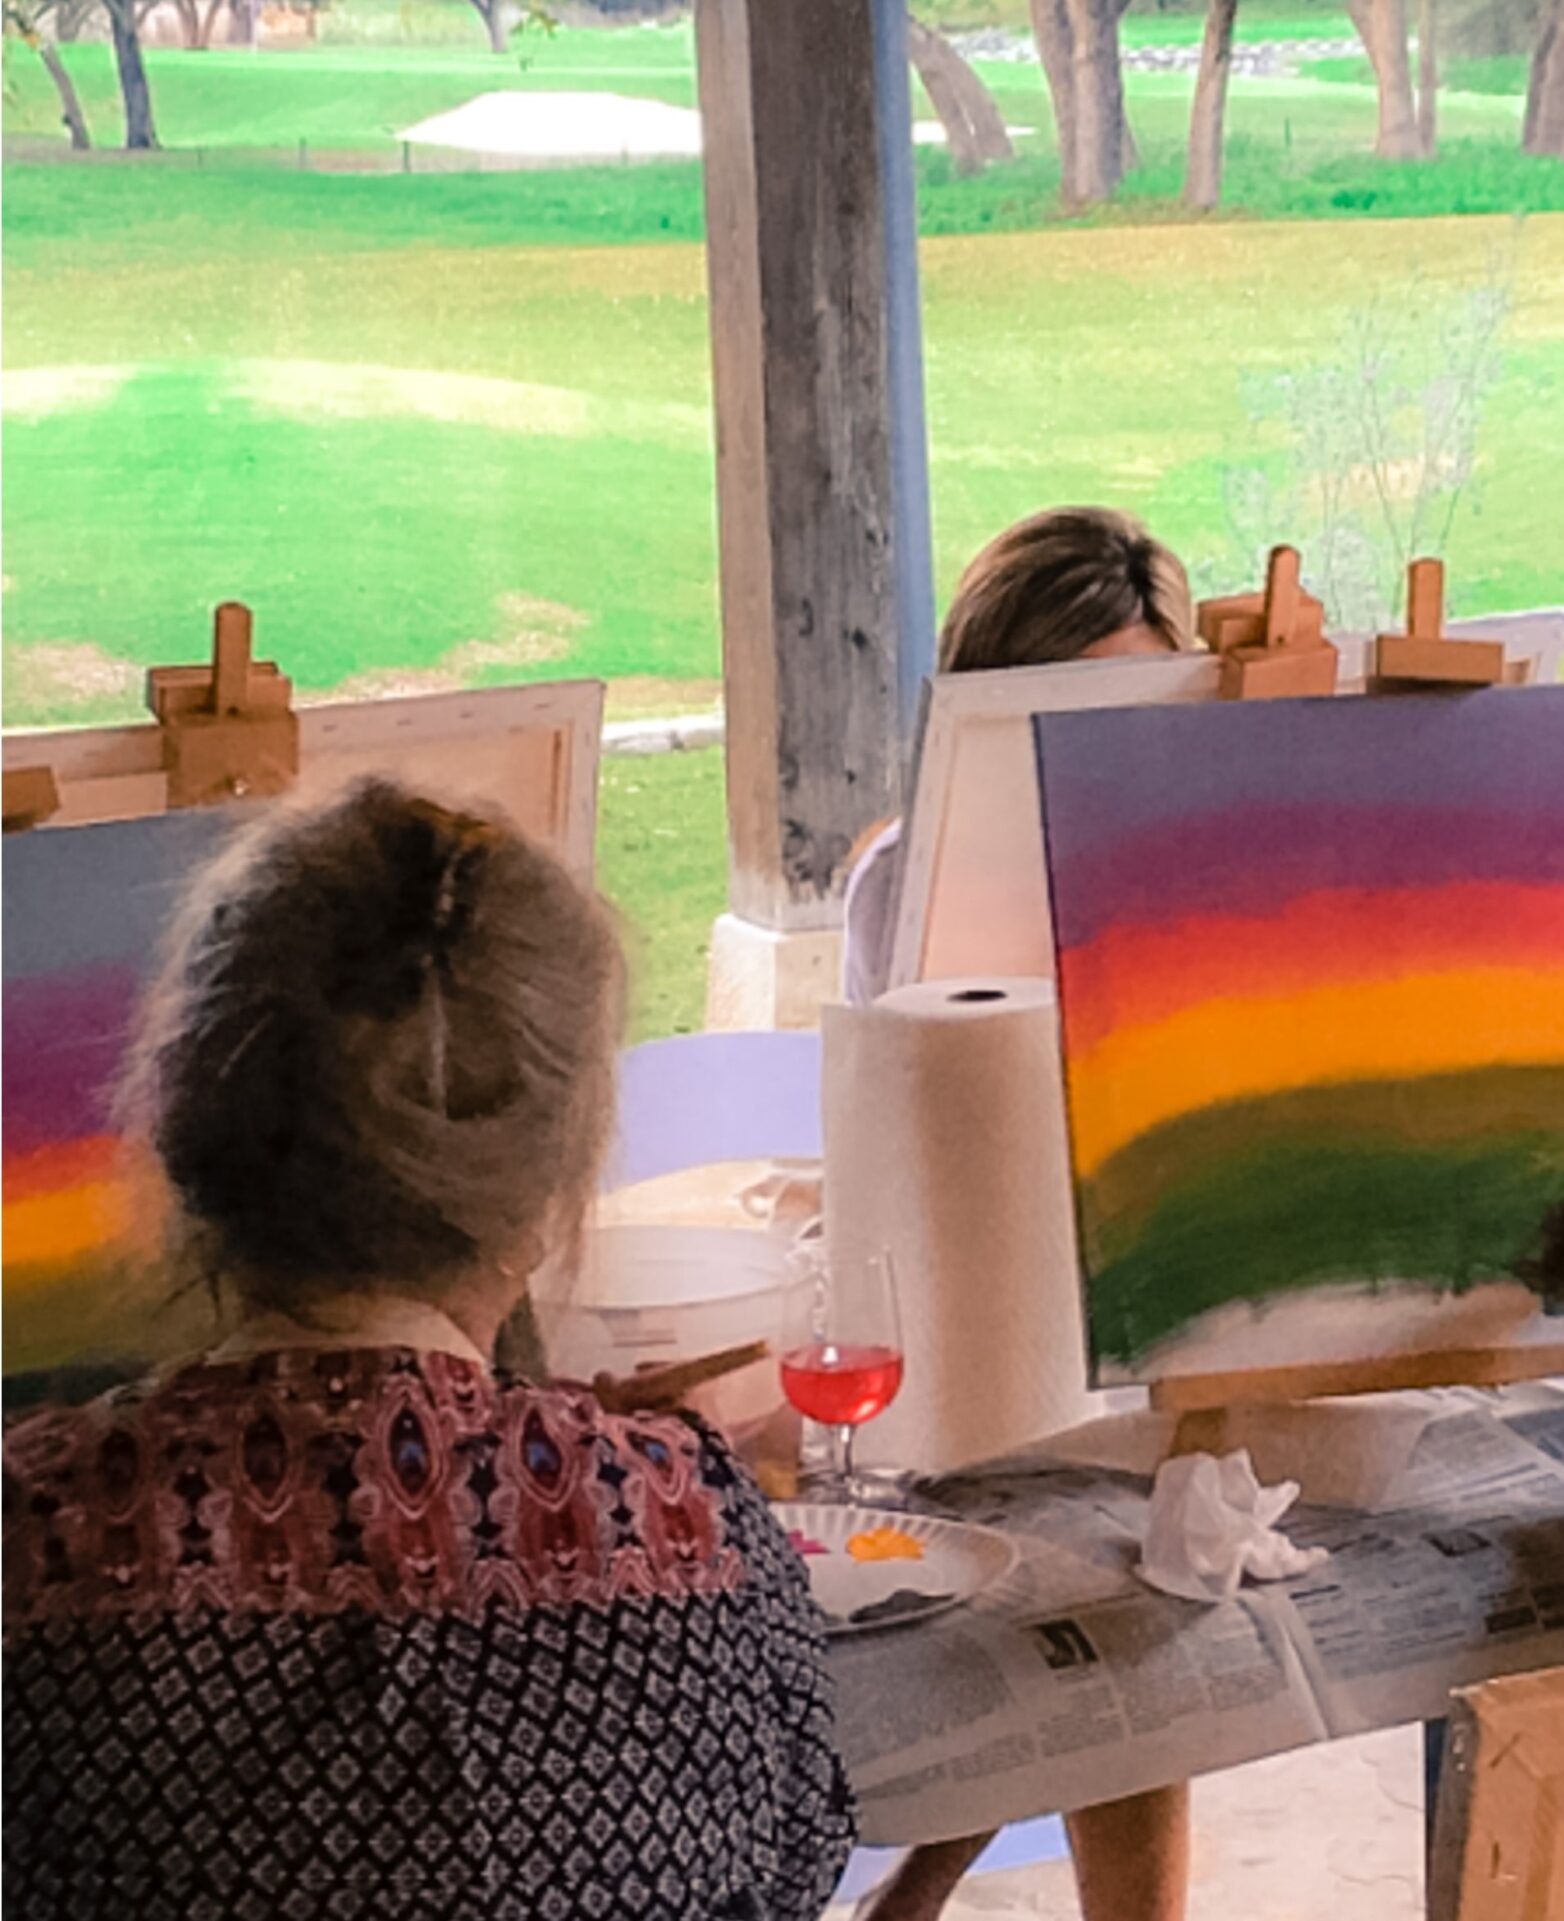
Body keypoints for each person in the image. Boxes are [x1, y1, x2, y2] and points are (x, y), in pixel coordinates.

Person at [2, 781, 857, 1920]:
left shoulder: (40, 1528)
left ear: (190, 1138)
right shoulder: (684, 1511)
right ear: (555, 1188)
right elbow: (794, 1865)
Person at [840, 506, 1197, 1921]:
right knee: (1053, 1549)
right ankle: (917, 1880)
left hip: (1160, 1285)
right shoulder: (901, 877)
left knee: (1147, 1561)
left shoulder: (1196, 864)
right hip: (973, 1287)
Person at [841, 504, 1196, 1005]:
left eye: (1137, 714)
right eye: (1068, 718)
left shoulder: (1213, 868)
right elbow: (888, 1077)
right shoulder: (900, 883)